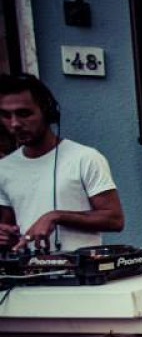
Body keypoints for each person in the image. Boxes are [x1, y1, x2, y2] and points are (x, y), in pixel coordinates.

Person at [0, 73, 124, 251]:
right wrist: (6, 235)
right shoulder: (4, 168)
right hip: (30, 267)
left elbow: (115, 219)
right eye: (6, 115)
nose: (15, 124)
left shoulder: (85, 158)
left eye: (24, 113)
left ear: (47, 111)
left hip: (80, 267)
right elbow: (10, 226)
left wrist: (56, 216)